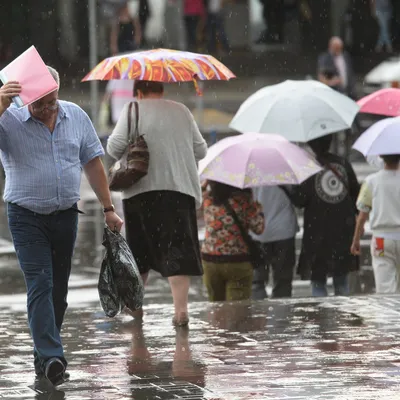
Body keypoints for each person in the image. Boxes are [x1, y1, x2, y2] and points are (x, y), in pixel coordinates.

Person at [0, 68, 123, 386]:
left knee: (58, 291)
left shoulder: (76, 115)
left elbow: (93, 162)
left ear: (57, 89)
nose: (47, 108)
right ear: (24, 97)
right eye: (39, 104)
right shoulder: (8, 118)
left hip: (66, 215)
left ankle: (43, 355)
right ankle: (54, 356)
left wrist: (109, 209)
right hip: (25, 216)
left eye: (51, 100)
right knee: (40, 284)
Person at [107, 80, 207, 327]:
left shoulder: (133, 108)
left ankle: (137, 306)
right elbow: (201, 150)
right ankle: (181, 310)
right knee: (178, 252)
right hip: (178, 191)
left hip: (141, 193)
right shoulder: (181, 110)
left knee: (139, 252)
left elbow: (113, 147)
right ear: (161, 90)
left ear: (138, 92)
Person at [290, 135, 360, 297]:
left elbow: (300, 200)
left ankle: (320, 317)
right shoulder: (343, 164)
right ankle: (343, 318)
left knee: (317, 281)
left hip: (317, 233)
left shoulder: (308, 168)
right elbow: (356, 195)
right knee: (341, 281)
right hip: (343, 230)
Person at [201, 181, 265, 302]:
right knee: (237, 311)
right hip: (238, 260)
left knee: (216, 308)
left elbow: (193, 199)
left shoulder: (208, 199)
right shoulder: (244, 200)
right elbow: (259, 229)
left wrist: (204, 184)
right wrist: (258, 209)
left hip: (210, 260)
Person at [351, 154, 400, 293]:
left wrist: (356, 240)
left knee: (384, 288)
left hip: (381, 240)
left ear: (382, 157)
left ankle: (388, 314)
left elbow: (362, 215)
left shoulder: (372, 181)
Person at [251, 186, 299, 299]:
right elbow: (299, 199)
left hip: (258, 231)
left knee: (257, 282)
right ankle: (281, 313)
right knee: (283, 281)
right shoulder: (286, 171)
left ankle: (259, 312)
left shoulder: (248, 172)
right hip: (284, 230)